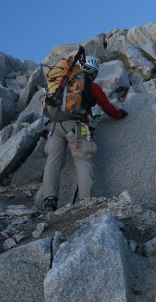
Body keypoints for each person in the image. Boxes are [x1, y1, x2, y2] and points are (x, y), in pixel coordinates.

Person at [42, 55, 127, 211]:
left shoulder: (62, 82)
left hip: (54, 126)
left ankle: (50, 201)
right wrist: (120, 114)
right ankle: (85, 203)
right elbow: (108, 108)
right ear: (93, 71)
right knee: (83, 160)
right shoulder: (91, 86)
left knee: (53, 161)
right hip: (76, 126)